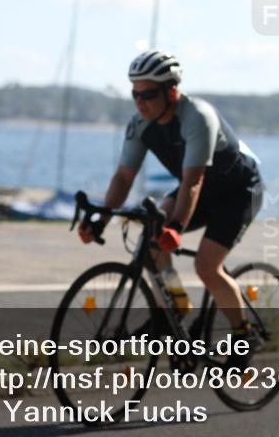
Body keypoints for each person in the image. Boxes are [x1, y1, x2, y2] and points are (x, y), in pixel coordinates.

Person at [79, 50, 265, 357]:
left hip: (238, 191)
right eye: (135, 94)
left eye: (148, 94)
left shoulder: (197, 117)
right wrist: (100, 220)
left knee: (206, 266)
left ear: (172, 91)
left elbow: (192, 182)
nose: (140, 102)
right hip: (199, 189)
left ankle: (245, 335)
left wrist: (176, 227)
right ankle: (175, 307)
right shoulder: (140, 124)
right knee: (151, 237)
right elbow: (124, 177)